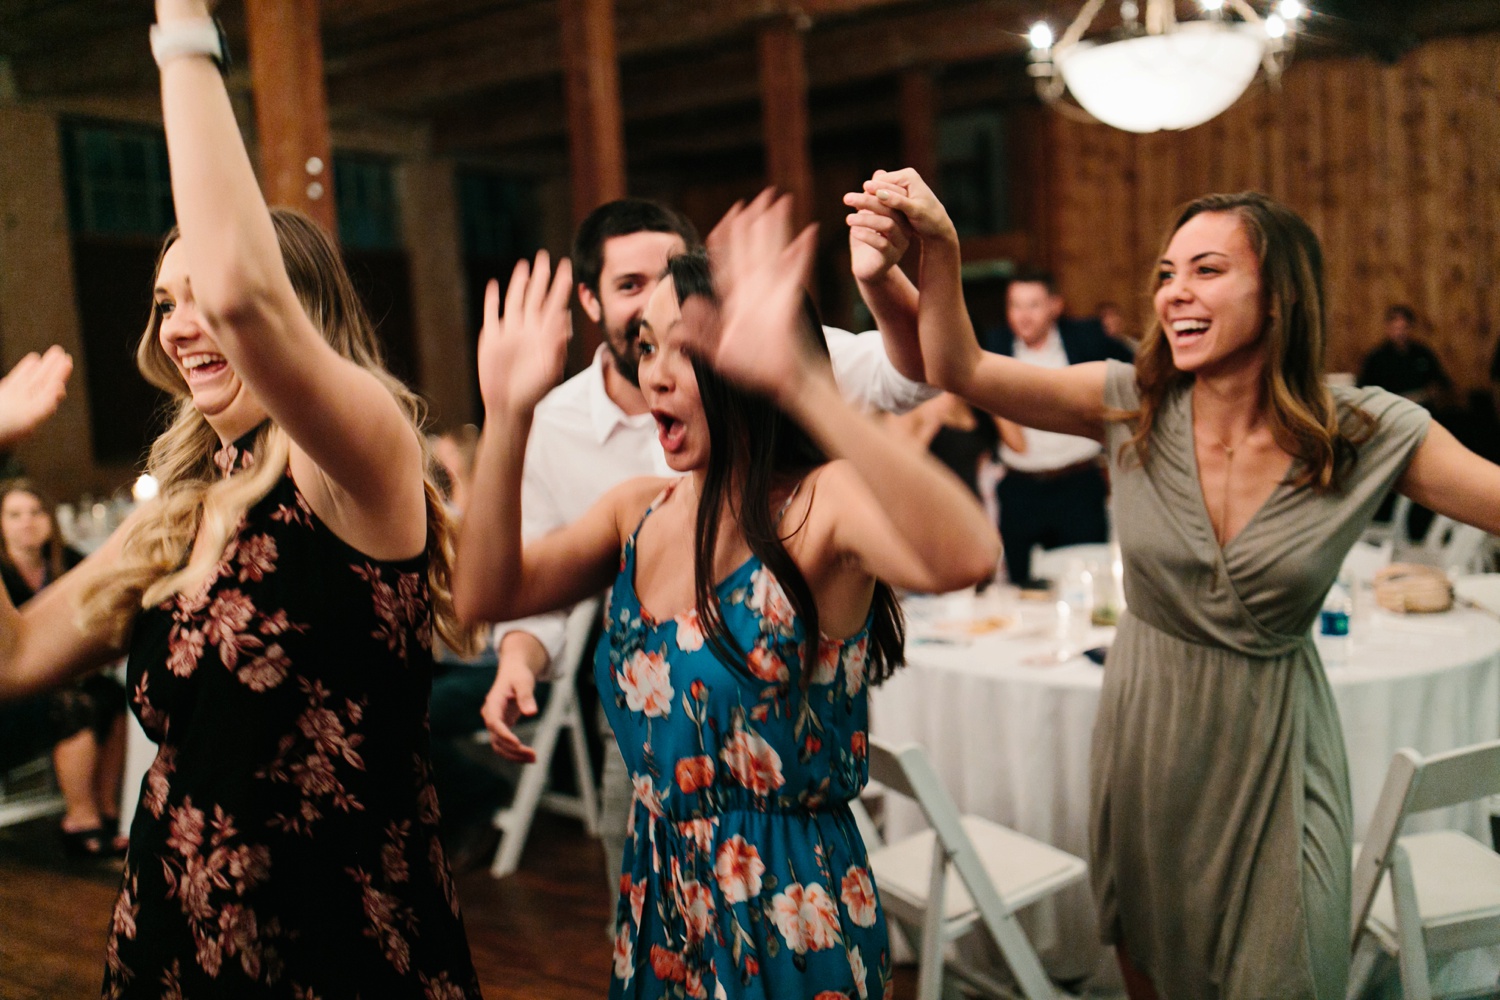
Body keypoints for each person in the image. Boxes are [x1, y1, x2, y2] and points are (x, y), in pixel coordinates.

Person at [860, 172, 1500, 999]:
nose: (1175, 294)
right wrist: (938, 249)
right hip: (1148, 731)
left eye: (1207, 269)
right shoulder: (1131, 404)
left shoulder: (1363, 432)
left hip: (1277, 747)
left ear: (1278, 297)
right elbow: (958, 366)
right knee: (1155, 966)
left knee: (1291, 969)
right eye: (1167, 274)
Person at [0, 3, 483, 994]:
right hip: (181, 933)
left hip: (338, 948)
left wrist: (181, 29)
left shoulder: (356, 464)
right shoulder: (181, 513)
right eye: (164, 303)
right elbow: (11, 662)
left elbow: (245, 297)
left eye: (204, 297)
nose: (184, 325)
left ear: (296, 320)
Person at [452, 195, 999, 998]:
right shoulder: (635, 512)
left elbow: (968, 554)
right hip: (656, 900)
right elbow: (485, 592)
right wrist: (506, 416)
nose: (655, 374)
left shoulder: (819, 507)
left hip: (788, 913)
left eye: (685, 349)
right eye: (644, 348)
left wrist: (804, 384)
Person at [979, 270, 1132, 587]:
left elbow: (1134, 373)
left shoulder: (1085, 338)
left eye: (1033, 305)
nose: (1023, 316)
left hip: (1077, 483)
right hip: (1020, 487)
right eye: (1015, 305)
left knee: (1089, 581)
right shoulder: (993, 344)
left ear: (1054, 306)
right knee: (1022, 588)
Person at [0, 479, 128, 857]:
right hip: (12, 696)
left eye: (36, 512)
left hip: (61, 682)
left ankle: (108, 810)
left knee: (113, 696)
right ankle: (80, 818)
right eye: (14, 515)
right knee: (77, 706)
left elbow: (105, 603)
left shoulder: (67, 559)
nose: (27, 522)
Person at [1357, 304, 1451, 408]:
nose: (1400, 333)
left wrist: (1432, 391)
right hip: (1389, 412)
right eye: (1396, 328)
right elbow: (1364, 389)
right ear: (1388, 328)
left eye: (1404, 328)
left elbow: (1442, 382)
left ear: (1411, 328)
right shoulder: (1376, 358)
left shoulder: (1423, 353)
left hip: (1421, 410)